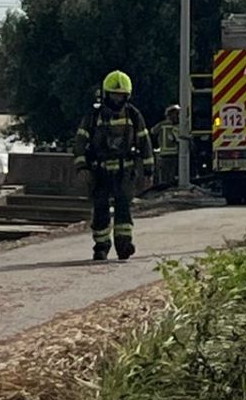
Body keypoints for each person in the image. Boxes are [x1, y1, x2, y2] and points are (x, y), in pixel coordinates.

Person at [71, 71, 153, 262]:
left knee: (124, 206)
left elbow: (144, 141)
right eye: (114, 95)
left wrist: (149, 170)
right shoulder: (93, 116)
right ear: (106, 94)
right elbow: (80, 143)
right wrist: (82, 168)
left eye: (121, 95)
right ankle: (101, 246)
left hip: (125, 170)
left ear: (127, 95)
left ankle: (124, 245)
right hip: (100, 170)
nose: (117, 99)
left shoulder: (133, 115)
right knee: (100, 209)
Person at [153, 104, 183, 187]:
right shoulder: (165, 125)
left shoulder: (163, 125)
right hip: (168, 154)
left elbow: (153, 131)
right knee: (167, 175)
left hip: (172, 154)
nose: (177, 116)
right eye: (175, 114)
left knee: (169, 175)